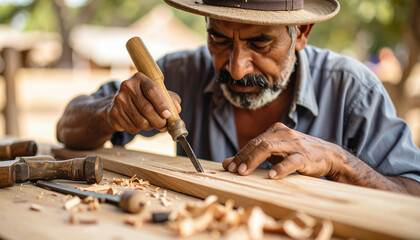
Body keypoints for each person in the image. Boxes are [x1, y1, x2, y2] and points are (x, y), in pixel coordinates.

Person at [56, 0, 420, 196]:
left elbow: (412, 199)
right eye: (219, 40)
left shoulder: (352, 89)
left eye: (260, 42)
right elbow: (66, 128)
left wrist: (340, 162)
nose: (237, 67)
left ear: (303, 32)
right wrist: (110, 113)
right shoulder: (179, 73)